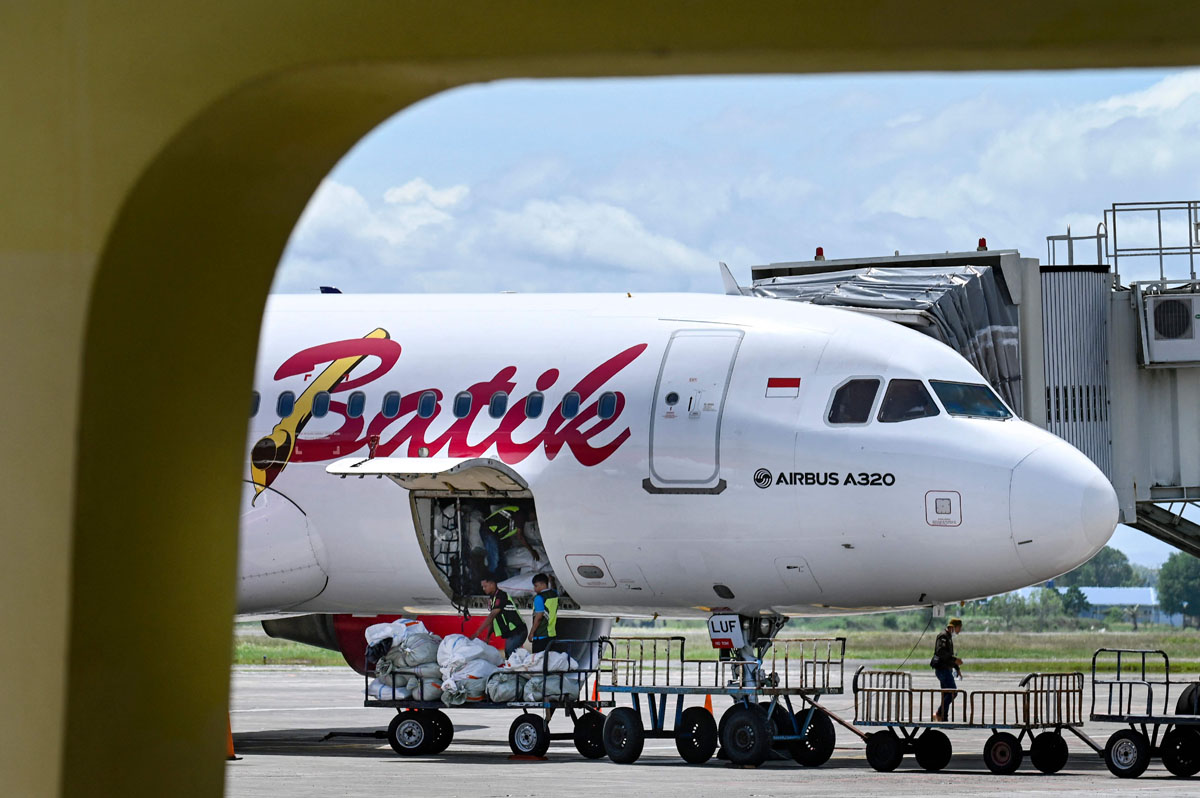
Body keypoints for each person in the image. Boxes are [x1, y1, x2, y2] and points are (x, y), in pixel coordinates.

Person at [469, 574, 527, 658]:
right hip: (512, 633)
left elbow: (492, 616)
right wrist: (487, 637)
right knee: (509, 653)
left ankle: (517, 669)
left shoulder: (501, 596)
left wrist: (477, 633)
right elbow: (493, 620)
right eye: (482, 587)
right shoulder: (492, 598)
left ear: (492, 584)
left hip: (518, 630)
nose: (483, 589)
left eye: (485, 586)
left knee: (510, 653)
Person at [930, 617, 964, 722]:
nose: (959, 630)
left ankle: (943, 717)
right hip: (942, 669)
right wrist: (955, 660)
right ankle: (939, 713)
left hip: (946, 669)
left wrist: (956, 668)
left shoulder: (948, 637)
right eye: (959, 628)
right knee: (952, 692)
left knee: (947, 693)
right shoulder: (943, 637)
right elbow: (941, 653)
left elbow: (949, 656)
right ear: (953, 627)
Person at [527, 572, 560, 654]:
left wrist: (531, 633)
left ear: (542, 584)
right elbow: (554, 589)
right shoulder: (554, 594)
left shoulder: (539, 598)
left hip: (541, 635)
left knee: (539, 662)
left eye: (536, 586)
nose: (534, 589)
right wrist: (552, 581)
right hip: (552, 634)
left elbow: (539, 617)